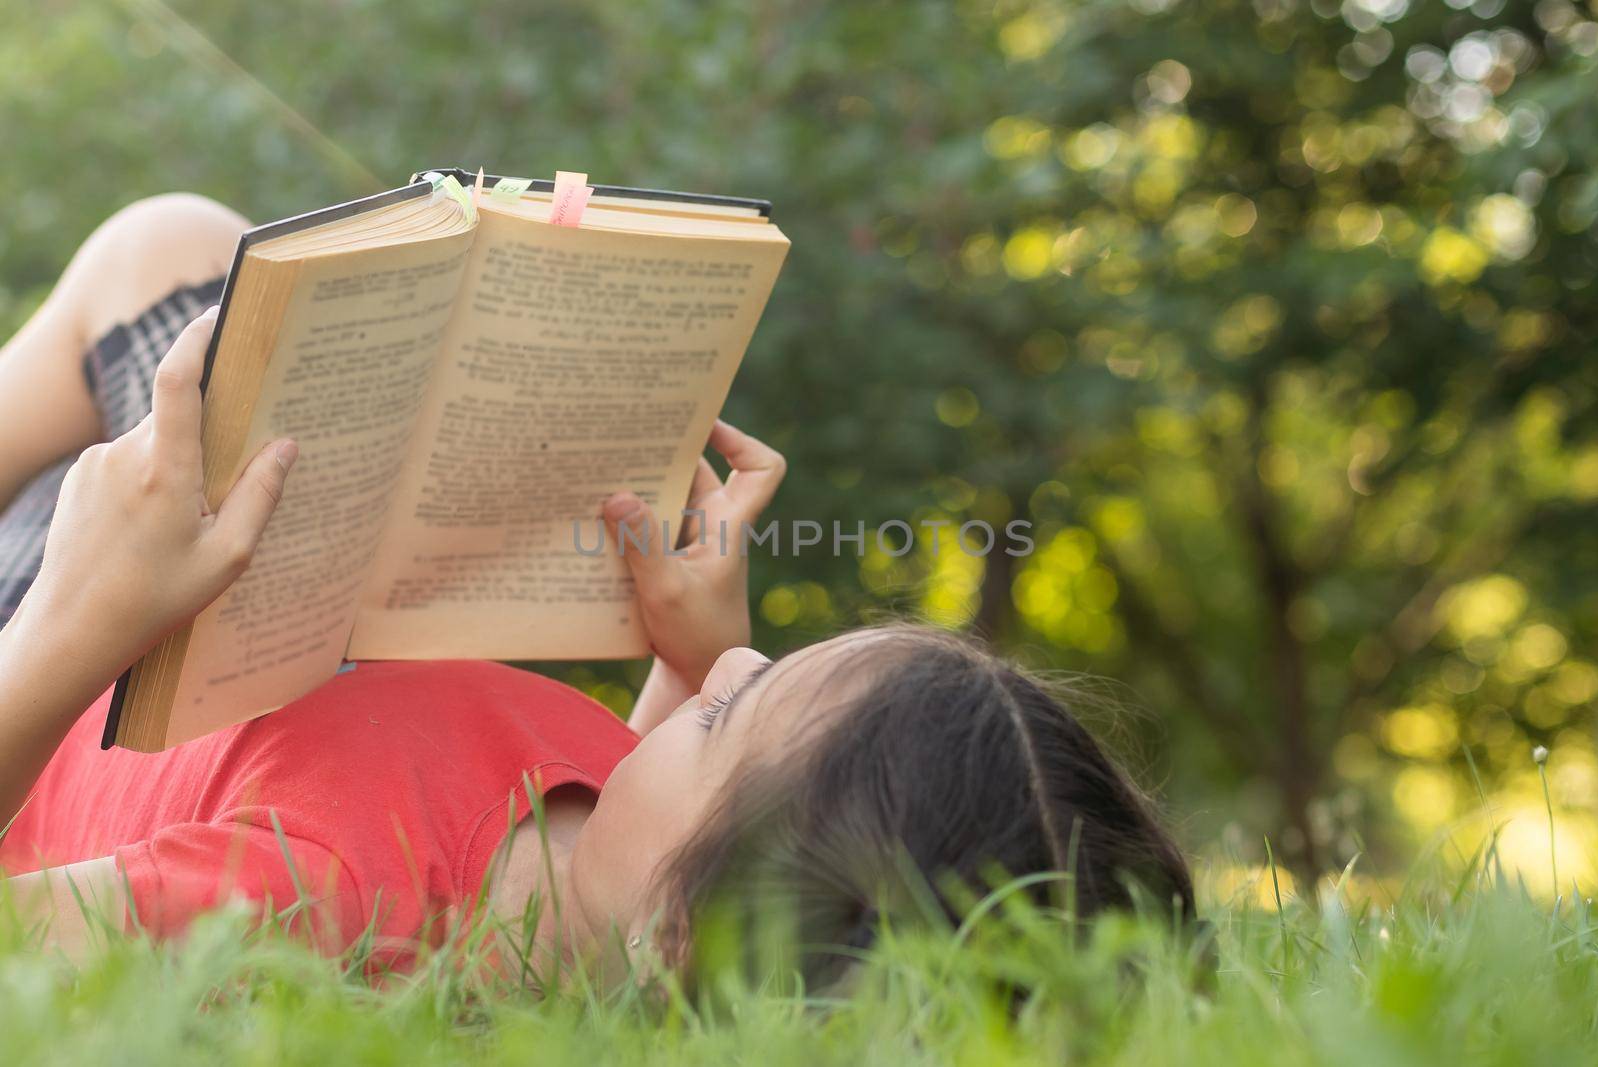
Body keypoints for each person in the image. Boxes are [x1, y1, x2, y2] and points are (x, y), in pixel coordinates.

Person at [0, 195, 1194, 989]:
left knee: (155, 251)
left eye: (734, 713)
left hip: (64, 636)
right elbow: (558, 843)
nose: (737, 658)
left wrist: (71, 629)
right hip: (229, 585)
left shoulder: (330, 903)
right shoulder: (609, 862)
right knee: (184, 256)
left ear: (677, 935)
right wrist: (682, 675)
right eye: (765, 661)